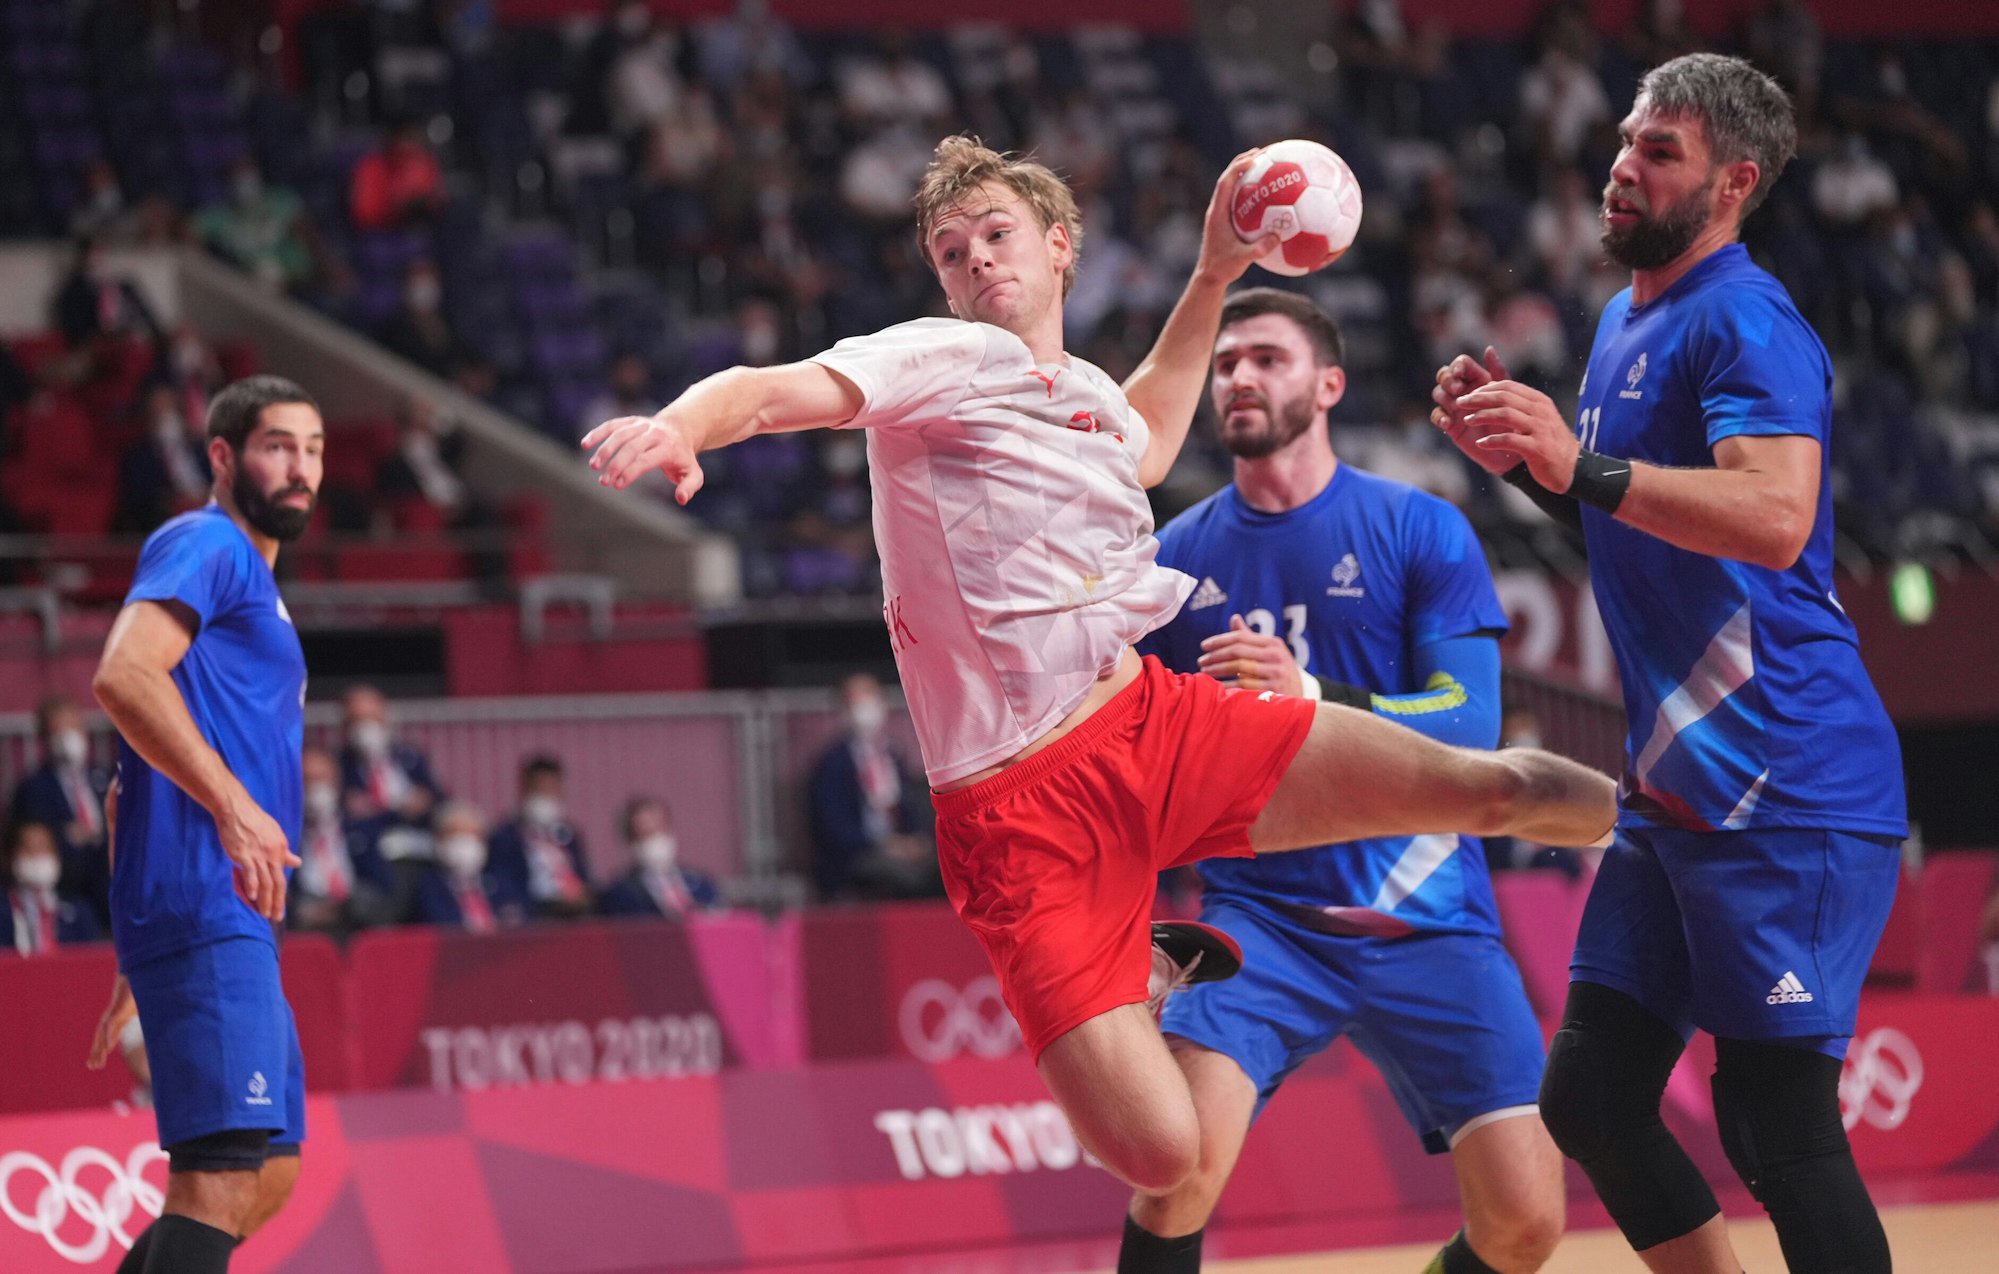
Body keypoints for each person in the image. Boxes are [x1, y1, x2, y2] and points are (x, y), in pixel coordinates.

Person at [584, 135, 1617, 1201]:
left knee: (1497, 783)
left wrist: (1216, 271)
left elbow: (1151, 429)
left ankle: (1686, 829)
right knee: (1164, 1156)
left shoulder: (1081, 393)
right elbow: (768, 388)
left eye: (996, 235)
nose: (975, 260)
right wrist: (679, 424)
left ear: (1060, 247)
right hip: (1017, 811)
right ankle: (1146, 966)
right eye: (951, 250)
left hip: (1155, 725)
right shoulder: (935, 359)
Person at [1431, 54, 1907, 1274]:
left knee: (1776, 1121)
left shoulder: (1745, 316)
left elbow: (1773, 516)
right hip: (1680, 787)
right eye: (1625, 141)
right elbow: (1634, 519)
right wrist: (1532, 465)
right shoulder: (1618, 318)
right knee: (1588, 1096)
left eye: (1659, 153)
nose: (1621, 167)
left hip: (1784, 770)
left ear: (1734, 182)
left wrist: (1578, 465)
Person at [1125, 288, 1561, 1274]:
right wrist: (1135, 934)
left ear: (1327, 384)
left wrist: (1313, 695)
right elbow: (1135, 768)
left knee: (1526, 1221)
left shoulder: (1417, 526)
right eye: (1226, 360)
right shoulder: (1171, 561)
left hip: (1425, 910)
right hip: (1260, 919)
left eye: (1266, 358)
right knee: (1172, 1171)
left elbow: (1470, 722)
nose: (1238, 374)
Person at [89, 375, 323, 1273]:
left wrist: (131, 950)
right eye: (277, 446)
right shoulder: (206, 542)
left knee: (269, 1173)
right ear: (222, 456)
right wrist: (233, 808)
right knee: (219, 1181)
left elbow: (123, 789)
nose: (299, 468)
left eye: (312, 449)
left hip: (216, 915)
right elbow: (123, 676)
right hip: (206, 899)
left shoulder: (254, 585)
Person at [806, 672, 937, 901]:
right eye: (854, 700)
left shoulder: (893, 755)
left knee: (945, 869)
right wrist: (882, 844)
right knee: (903, 876)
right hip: (859, 854)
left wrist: (916, 841)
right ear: (842, 709)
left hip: (900, 849)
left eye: (869, 696)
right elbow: (832, 826)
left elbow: (909, 808)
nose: (863, 707)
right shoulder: (832, 763)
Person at [338, 683, 443, 918]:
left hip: (424, 850)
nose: (365, 727)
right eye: (357, 720)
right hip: (377, 860)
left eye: (371, 718)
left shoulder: (410, 758)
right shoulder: (341, 768)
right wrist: (397, 810)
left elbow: (436, 799)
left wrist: (421, 802)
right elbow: (350, 817)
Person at [10, 694, 113, 923]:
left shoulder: (106, 779)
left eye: (73, 726)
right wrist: (66, 838)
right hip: (68, 891)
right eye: (59, 729)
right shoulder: (33, 789)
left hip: (109, 887)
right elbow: (32, 841)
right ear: (44, 737)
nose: (68, 735)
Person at [289, 745, 392, 935]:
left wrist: (344, 908)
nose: (315, 788)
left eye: (321, 779)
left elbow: (382, 888)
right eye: (307, 781)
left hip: (356, 929)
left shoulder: (362, 830)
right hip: (305, 934)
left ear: (336, 781)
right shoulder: (286, 836)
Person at [487, 755, 594, 919]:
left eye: (551, 788)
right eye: (539, 789)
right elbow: (504, 887)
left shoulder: (569, 835)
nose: (545, 795)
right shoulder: (506, 837)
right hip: (536, 913)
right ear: (524, 789)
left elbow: (584, 876)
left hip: (574, 912)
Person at [598, 797, 721, 919]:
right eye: (646, 834)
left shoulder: (700, 882)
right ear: (631, 840)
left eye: (659, 829)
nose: (655, 839)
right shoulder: (621, 892)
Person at [414, 802, 528, 932]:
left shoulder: (502, 885)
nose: (464, 842)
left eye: (472, 834)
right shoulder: (428, 887)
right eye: (455, 833)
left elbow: (521, 922)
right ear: (438, 840)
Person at [5, 819, 103, 953]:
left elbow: (95, 960)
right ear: (13, 857)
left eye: (43, 848)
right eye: (29, 849)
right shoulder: (4, 910)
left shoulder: (78, 910)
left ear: (56, 855)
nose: (36, 856)